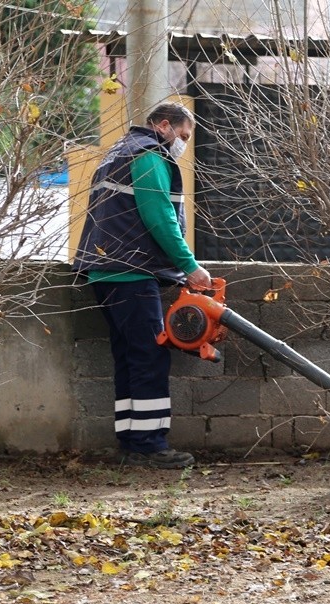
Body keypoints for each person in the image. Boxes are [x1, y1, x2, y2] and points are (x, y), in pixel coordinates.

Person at [73, 102, 211, 469]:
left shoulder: (116, 152)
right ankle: (150, 446)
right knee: (150, 355)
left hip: (105, 272)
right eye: (182, 135)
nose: (182, 143)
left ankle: (132, 441)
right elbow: (159, 215)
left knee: (129, 356)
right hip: (131, 272)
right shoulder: (149, 155)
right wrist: (189, 266)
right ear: (163, 125)